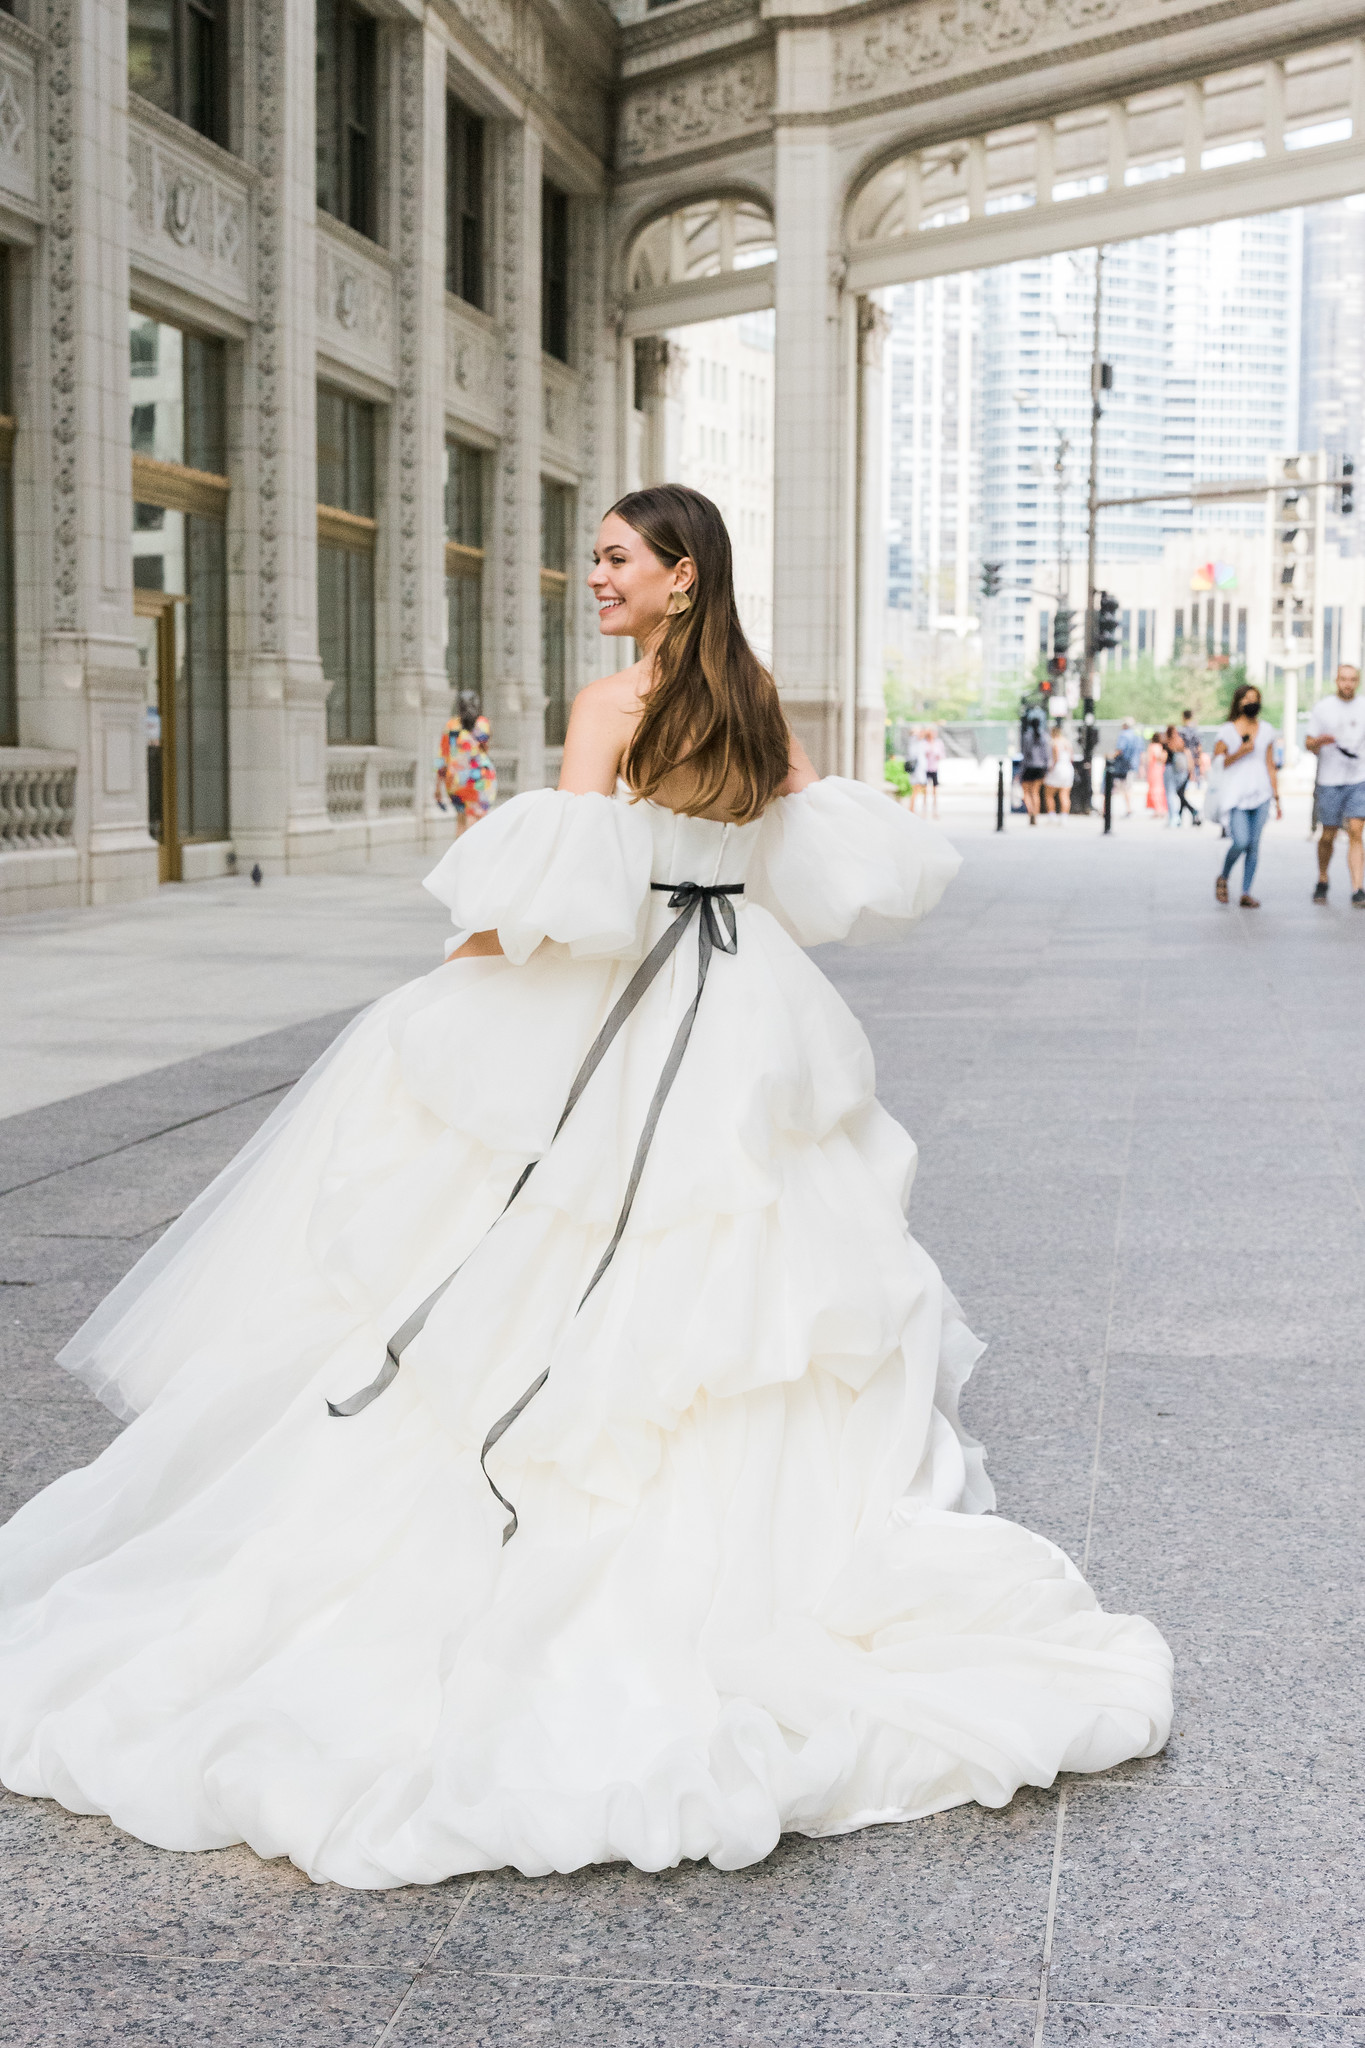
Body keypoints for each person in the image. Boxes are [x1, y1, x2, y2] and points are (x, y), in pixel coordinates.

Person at [0, 485, 1172, 1890]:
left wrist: (445, 984)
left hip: (630, 1015)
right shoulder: (752, 705)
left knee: (555, 1250)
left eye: (616, 558)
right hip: (742, 1011)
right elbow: (819, 862)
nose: (593, 578)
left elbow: (563, 896)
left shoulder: (616, 708)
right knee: (751, 1270)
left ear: (683, 576)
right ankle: (762, 1549)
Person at [1212, 682, 1280, 906]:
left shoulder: (1267, 730)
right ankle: (1224, 876)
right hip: (1236, 794)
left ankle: (1246, 891)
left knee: (1254, 844)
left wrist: (1277, 796)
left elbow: (1270, 764)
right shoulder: (1227, 730)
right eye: (1247, 698)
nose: (1252, 702)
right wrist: (1240, 752)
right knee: (1240, 841)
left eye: (1255, 698)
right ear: (1238, 701)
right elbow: (1218, 762)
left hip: (1261, 793)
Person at [1306, 662, 1365, 906]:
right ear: (1336, 680)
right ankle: (1322, 878)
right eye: (1343, 679)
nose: (1347, 684)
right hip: (1329, 780)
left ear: (1358, 681)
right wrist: (1319, 741)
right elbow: (1308, 743)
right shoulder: (1323, 709)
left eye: (1352, 679)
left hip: (1358, 779)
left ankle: (1357, 888)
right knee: (1328, 834)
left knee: (1355, 831)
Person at [435, 691, 497, 836]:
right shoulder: (483, 724)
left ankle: (461, 856)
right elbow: (484, 746)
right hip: (480, 778)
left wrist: (438, 787)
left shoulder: (451, 726)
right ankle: (475, 854)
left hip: (456, 780)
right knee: (477, 819)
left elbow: (442, 756)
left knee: (461, 820)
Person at [1161, 725, 1201, 828]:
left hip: (1178, 771)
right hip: (1181, 771)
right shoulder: (1178, 742)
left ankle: (1188, 813)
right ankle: (1181, 816)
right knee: (1180, 794)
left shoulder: (1170, 743)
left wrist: (1191, 771)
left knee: (1177, 794)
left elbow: (1163, 757)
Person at [1019, 702, 1051, 824]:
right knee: (1035, 792)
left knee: (1026, 792)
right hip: (1040, 767)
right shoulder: (1044, 737)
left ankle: (1030, 812)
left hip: (1029, 767)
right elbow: (1047, 755)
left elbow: (1025, 755)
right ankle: (1035, 814)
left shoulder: (1027, 736)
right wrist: (1047, 768)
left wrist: (1021, 771)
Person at [1108, 715, 1144, 818]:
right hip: (1132, 766)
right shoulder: (1136, 736)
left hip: (1121, 766)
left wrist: (1110, 757)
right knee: (1128, 788)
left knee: (1112, 787)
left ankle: (1107, 810)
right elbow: (1141, 752)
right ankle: (1129, 809)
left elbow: (1120, 750)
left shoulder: (1123, 735)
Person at [1042, 720, 1074, 816]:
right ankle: (1064, 816)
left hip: (1057, 767)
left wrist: (1050, 769)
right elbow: (1071, 757)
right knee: (1064, 794)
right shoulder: (1067, 742)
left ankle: (1052, 815)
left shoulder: (1054, 742)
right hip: (1067, 767)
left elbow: (1055, 757)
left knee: (1049, 794)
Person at [921, 725, 944, 818]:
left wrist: (937, 755)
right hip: (925, 768)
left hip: (934, 768)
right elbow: (922, 753)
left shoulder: (938, 743)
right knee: (925, 790)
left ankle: (935, 810)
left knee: (934, 790)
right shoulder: (924, 743)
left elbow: (942, 754)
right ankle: (924, 810)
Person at [905, 727, 928, 814]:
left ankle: (916, 807)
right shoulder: (914, 739)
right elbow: (924, 733)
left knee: (920, 788)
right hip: (917, 769)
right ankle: (912, 807)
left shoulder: (917, 742)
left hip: (919, 768)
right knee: (916, 788)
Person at [1179, 709, 1204, 787]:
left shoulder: (1182, 731)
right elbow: (1199, 746)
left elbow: (1182, 746)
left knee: (1185, 783)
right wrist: (1199, 757)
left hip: (1185, 759)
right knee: (1197, 782)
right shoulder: (1196, 730)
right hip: (1195, 757)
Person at [1145, 730, 1168, 817]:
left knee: (1155, 789)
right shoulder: (1161, 747)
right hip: (1161, 769)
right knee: (1160, 789)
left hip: (1154, 769)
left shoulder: (1152, 747)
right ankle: (1161, 808)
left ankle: (1158, 809)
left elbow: (1150, 759)